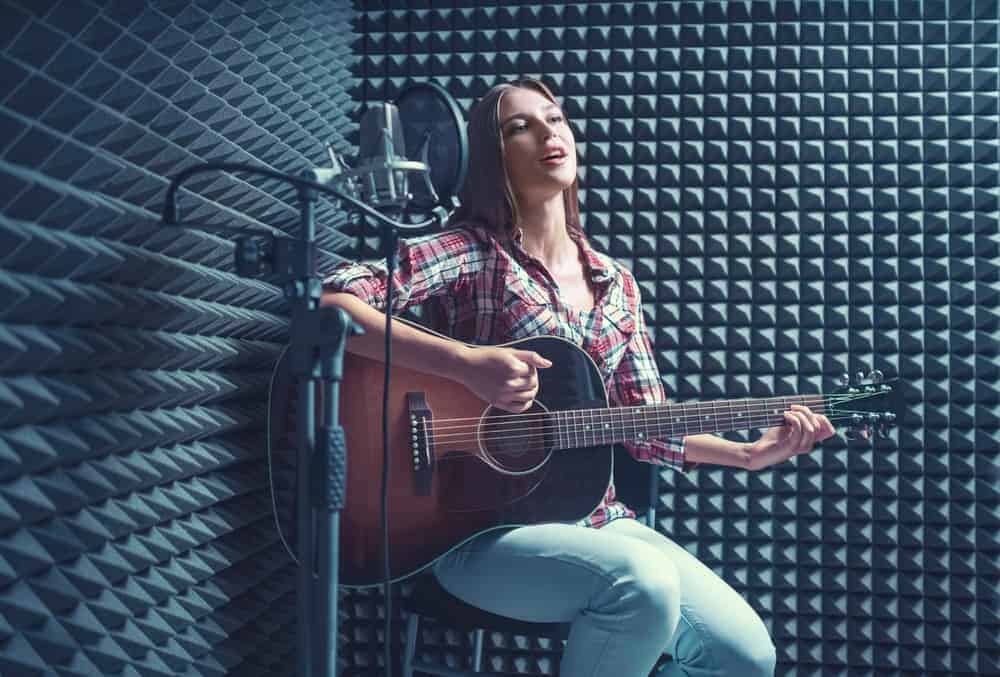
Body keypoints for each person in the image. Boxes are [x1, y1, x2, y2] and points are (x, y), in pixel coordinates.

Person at [321, 78, 835, 677]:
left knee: (743, 657)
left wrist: (747, 455)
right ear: (493, 156)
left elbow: (644, 423)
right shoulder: (470, 253)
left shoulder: (616, 285)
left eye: (555, 118)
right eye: (520, 126)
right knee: (641, 586)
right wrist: (466, 365)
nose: (548, 133)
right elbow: (335, 303)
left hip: (597, 521)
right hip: (470, 531)